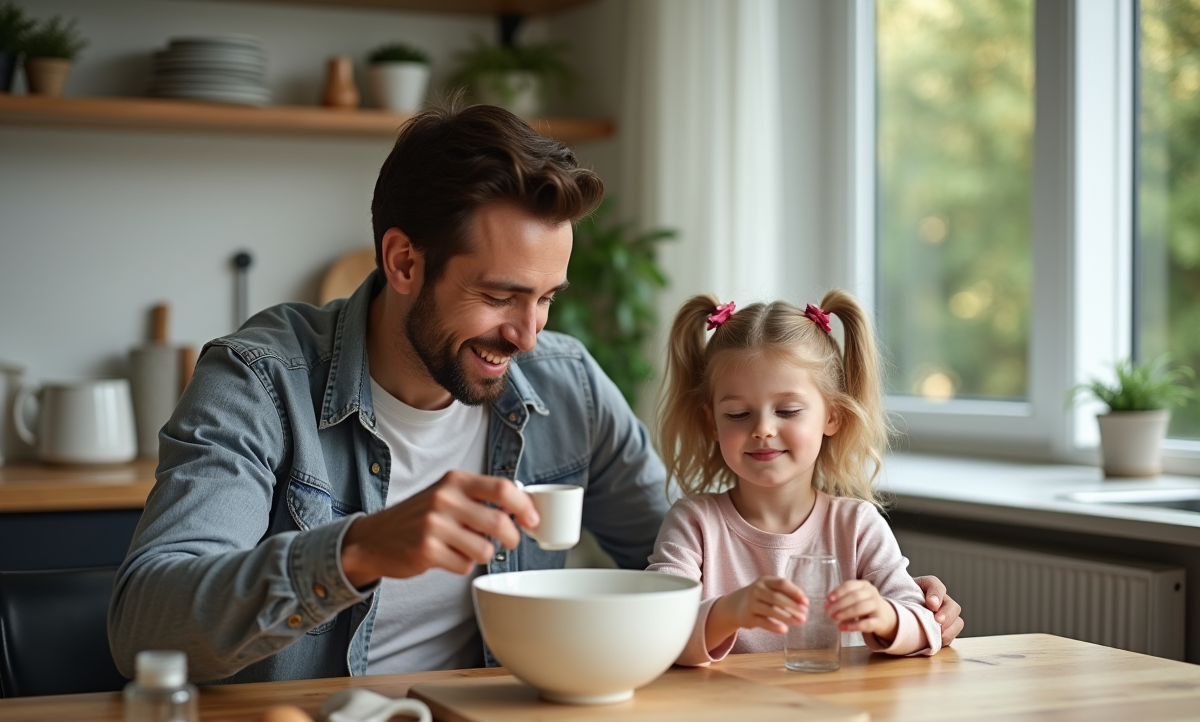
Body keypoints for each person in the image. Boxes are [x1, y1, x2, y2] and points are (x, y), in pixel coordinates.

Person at [109, 101, 962, 685]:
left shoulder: (564, 382)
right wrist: (357, 549)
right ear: (404, 262)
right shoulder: (261, 380)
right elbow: (144, 624)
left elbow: (678, 560)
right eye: (499, 295)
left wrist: (893, 609)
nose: (526, 336)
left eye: (545, 297)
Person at [647, 291, 951, 665]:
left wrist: (887, 615)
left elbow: (929, 625)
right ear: (711, 422)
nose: (763, 429)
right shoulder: (693, 523)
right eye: (739, 414)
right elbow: (657, 629)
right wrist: (731, 611)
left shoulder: (856, 526)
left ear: (832, 416)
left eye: (788, 411)